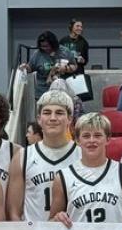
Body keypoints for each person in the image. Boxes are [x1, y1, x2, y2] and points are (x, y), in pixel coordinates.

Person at [51, 112, 122, 226]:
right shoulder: (63, 177)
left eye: (98, 135)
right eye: (86, 136)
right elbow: (50, 223)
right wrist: (56, 220)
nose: (92, 140)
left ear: (108, 139)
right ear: (77, 140)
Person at [7, 91, 81, 222]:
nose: (53, 118)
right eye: (47, 113)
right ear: (39, 119)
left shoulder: (81, 155)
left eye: (59, 113)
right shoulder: (23, 157)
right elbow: (13, 212)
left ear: (70, 119)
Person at [22, 31, 76, 106]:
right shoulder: (37, 54)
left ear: (53, 44)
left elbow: (74, 66)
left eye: (47, 46)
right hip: (43, 92)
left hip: (62, 91)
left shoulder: (64, 52)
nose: (44, 48)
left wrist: (66, 68)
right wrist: (25, 67)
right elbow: (30, 68)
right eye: (42, 46)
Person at [59, 18, 91, 97]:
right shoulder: (63, 41)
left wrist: (83, 60)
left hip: (78, 74)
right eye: (77, 26)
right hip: (65, 73)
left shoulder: (84, 42)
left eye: (81, 27)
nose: (80, 28)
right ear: (71, 27)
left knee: (78, 98)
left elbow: (86, 61)